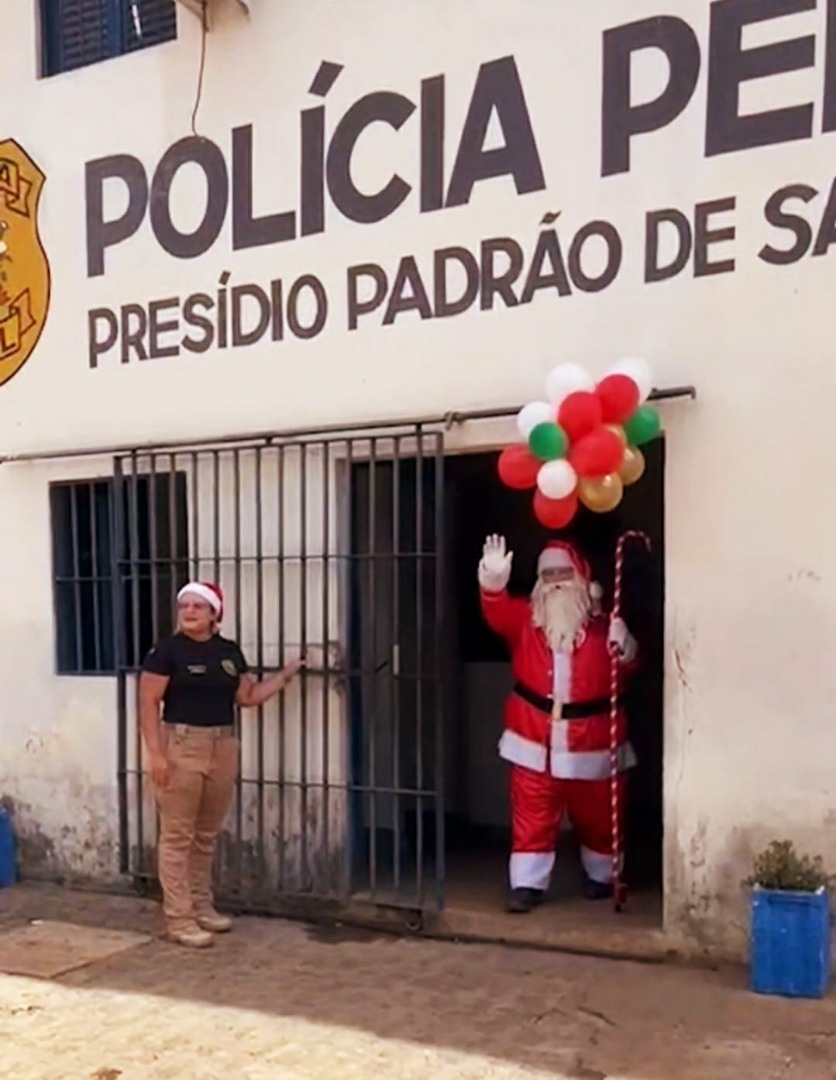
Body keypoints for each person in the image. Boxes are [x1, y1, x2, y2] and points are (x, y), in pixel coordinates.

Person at [478, 535, 639, 913]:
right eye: (547, 575)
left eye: (563, 573)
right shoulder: (524, 620)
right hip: (534, 737)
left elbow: (630, 670)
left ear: (582, 578)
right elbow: (495, 612)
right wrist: (493, 580)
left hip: (593, 739)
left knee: (599, 814)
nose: (555, 582)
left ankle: (602, 876)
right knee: (532, 813)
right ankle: (526, 884)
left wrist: (626, 644)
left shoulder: (605, 627)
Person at [139, 581, 303, 948]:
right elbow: (148, 703)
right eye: (185, 606)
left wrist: (283, 677)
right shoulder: (166, 652)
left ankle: (201, 906)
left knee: (206, 835)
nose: (190, 612)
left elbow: (246, 696)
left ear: (215, 613)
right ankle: (178, 919)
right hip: (183, 744)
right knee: (177, 836)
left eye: (199, 606)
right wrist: (156, 754)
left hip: (223, 744)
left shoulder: (228, 653)